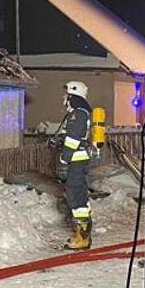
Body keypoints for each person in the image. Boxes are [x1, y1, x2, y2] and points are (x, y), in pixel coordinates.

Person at [51, 81, 93, 250]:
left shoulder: (78, 114)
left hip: (75, 160)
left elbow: (73, 139)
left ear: (72, 96)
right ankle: (81, 234)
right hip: (77, 160)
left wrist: (64, 159)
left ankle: (82, 238)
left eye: (66, 94)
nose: (64, 97)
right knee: (77, 195)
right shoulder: (77, 113)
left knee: (76, 196)